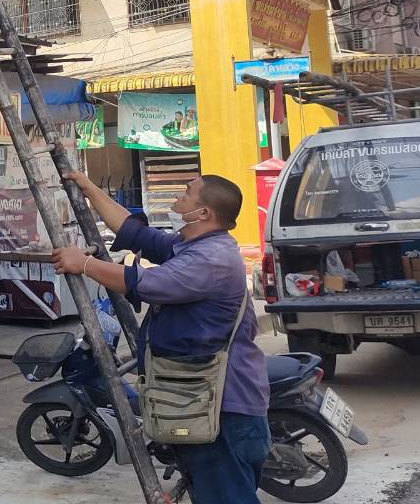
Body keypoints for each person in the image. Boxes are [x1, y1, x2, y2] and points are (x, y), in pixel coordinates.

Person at [51, 171, 270, 504]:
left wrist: (84, 264)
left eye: (186, 193)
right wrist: (89, 188)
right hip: (201, 399)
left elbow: (140, 282)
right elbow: (136, 233)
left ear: (203, 213)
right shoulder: (193, 244)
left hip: (223, 407)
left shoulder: (210, 260)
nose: (177, 199)